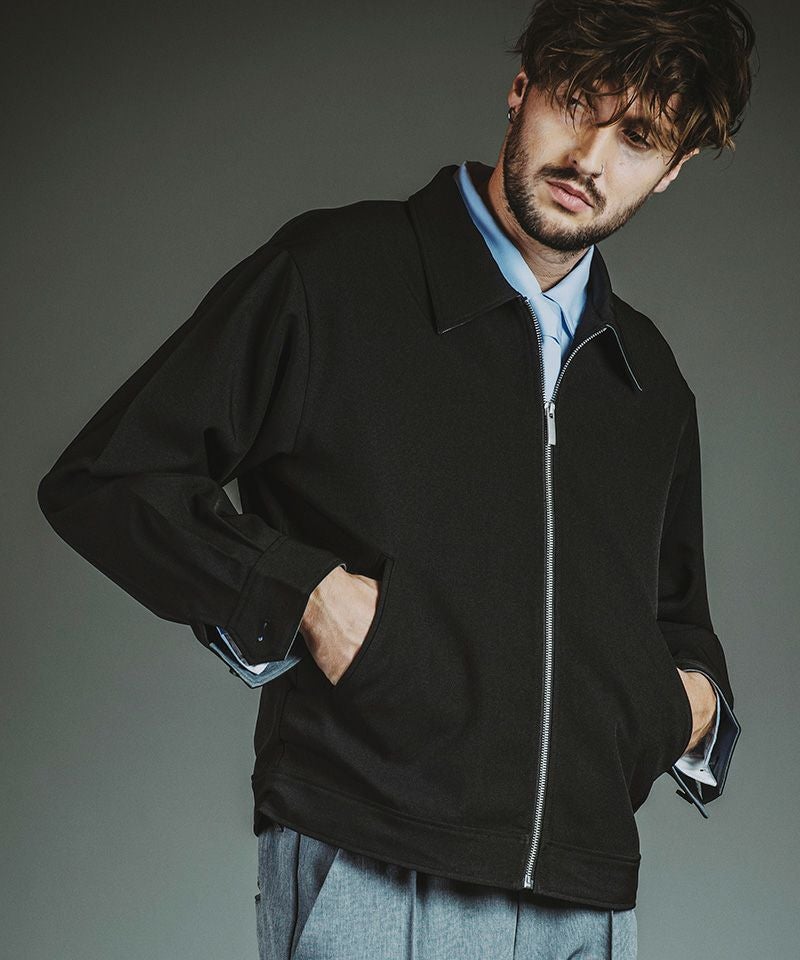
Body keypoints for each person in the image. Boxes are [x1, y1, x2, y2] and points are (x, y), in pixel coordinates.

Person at [37, 0, 755, 956]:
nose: (589, 157)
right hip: (377, 856)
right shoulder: (336, 275)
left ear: (672, 168)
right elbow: (112, 478)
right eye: (577, 102)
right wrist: (306, 597)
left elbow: (676, 620)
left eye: (637, 138)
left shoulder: (648, 379)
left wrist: (683, 707)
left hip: (588, 898)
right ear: (521, 88)